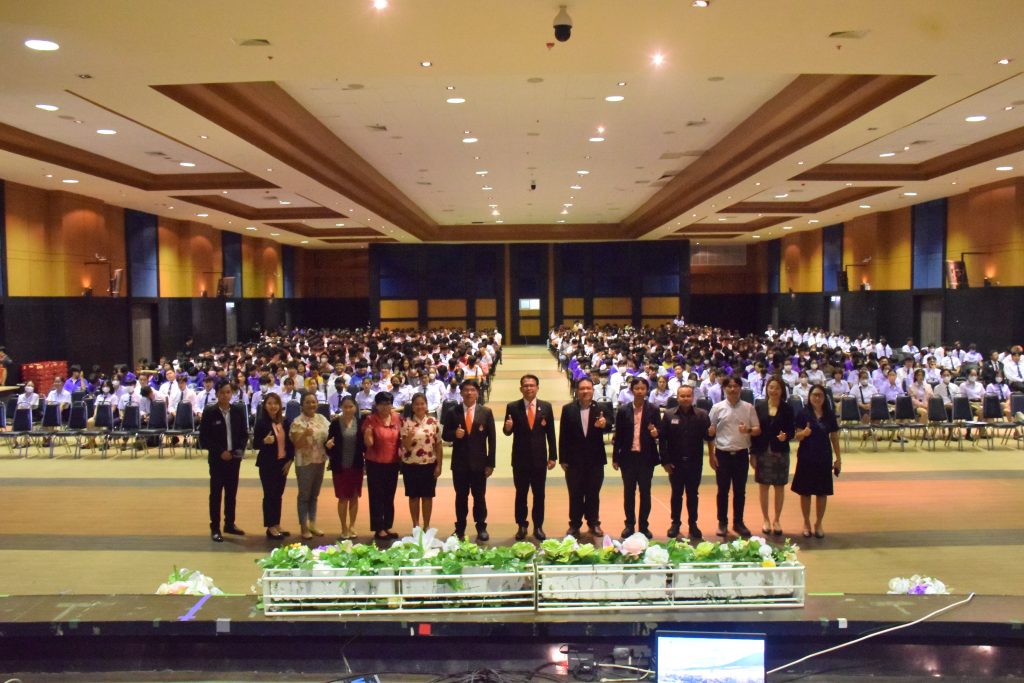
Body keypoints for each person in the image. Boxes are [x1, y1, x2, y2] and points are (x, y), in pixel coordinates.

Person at [503, 374, 558, 541]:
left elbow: (551, 434)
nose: (529, 388)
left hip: (540, 459)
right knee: (521, 494)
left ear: (537, 388)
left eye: (532, 385)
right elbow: (507, 432)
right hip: (520, 459)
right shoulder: (512, 407)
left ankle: (538, 526)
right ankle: (521, 525)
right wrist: (508, 428)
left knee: (539, 495)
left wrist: (553, 456)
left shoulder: (546, 407)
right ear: (521, 389)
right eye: (525, 385)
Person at [708, 376, 761, 539]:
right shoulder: (717, 408)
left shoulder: (748, 407)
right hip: (722, 454)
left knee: (740, 491)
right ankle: (722, 522)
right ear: (724, 389)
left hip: (741, 454)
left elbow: (757, 429)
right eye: (729, 386)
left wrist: (748, 430)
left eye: (736, 386)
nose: (732, 389)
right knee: (722, 491)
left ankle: (738, 522)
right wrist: (711, 454)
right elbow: (710, 432)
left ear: (740, 388)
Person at [442, 380, 496, 542]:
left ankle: (481, 527)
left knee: (479, 497)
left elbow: (492, 440)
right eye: (466, 390)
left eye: (472, 390)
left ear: (477, 393)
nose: (469, 393)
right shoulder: (453, 412)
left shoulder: (485, 412)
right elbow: (445, 435)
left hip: (480, 463)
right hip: (460, 464)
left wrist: (490, 463)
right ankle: (460, 528)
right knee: (461, 497)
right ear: (461, 393)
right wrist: (454, 434)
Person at [558, 377, 610, 538]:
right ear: (577, 391)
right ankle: (574, 524)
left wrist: (604, 424)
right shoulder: (568, 409)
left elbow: (610, 425)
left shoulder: (601, 408)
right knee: (575, 494)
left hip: (595, 460)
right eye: (582, 389)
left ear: (593, 390)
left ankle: (594, 523)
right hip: (574, 460)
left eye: (588, 388)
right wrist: (563, 458)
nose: (585, 391)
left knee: (593, 493)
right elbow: (563, 434)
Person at [658, 384, 711, 541]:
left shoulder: (702, 415)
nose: (685, 398)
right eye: (682, 396)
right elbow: (662, 440)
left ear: (693, 397)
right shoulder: (669, 415)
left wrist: (711, 434)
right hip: (675, 463)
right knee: (676, 494)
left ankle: (693, 524)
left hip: (695, 463)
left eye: (688, 396)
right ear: (677, 397)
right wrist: (665, 461)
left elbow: (708, 437)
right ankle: (675, 523)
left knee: (693, 494)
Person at [198, 379, 249, 542]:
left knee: (231, 493)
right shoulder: (210, 412)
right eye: (222, 393)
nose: (225, 395)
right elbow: (204, 438)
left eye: (228, 392)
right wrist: (220, 452)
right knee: (216, 494)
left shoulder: (238, 411)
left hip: (234, 459)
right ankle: (215, 527)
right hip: (217, 459)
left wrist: (237, 451)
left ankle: (230, 524)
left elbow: (244, 434)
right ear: (217, 394)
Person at [612, 377, 660, 539]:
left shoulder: (653, 409)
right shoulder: (623, 410)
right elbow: (618, 435)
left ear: (647, 390)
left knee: (645, 493)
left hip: (646, 458)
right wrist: (615, 457)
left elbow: (659, 431)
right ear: (631, 390)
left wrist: (656, 433)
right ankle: (629, 525)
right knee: (629, 493)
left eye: (643, 388)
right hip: (628, 458)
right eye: (637, 388)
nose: (640, 391)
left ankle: (644, 526)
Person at [791, 384, 841, 539]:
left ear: (824, 398)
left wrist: (838, 458)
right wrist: (804, 433)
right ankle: (806, 522)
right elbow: (797, 436)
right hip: (806, 456)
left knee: (822, 492)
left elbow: (834, 437)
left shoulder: (829, 414)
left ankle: (818, 523)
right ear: (809, 397)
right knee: (805, 492)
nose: (817, 398)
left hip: (824, 456)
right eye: (814, 395)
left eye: (820, 395)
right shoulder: (803, 413)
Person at [751, 377, 794, 537]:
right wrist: (752, 453)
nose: (773, 391)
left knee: (779, 486)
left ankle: (777, 520)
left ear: (782, 391)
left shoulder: (788, 408)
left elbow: (792, 430)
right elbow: (754, 433)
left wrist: (786, 436)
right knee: (763, 486)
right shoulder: (759, 407)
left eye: (777, 388)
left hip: (780, 452)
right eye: (771, 387)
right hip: (762, 451)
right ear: (767, 389)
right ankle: (766, 519)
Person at [289, 392, 332, 539]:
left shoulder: (322, 419)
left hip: (320, 461)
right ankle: (303, 526)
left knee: (314, 495)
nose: (311, 405)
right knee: (304, 496)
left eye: (313, 402)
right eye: (307, 402)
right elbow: (297, 444)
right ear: (302, 404)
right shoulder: (297, 422)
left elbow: (329, 436)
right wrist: (305, 434)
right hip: (304, 463)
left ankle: (312, 524)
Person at [253, 392, 294, 540]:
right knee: (269, 495)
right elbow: (255, 444)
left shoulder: (285, 422)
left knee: (278, 495)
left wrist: (290, 460)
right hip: (267, 464)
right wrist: (264, 441)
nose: (273, 406)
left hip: (282, 464)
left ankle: (277, 523)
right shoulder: (261, 423)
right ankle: (270, 526)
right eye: (269, 403)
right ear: (265, 405)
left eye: (275, 403)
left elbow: (290, 443)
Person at [400, 393, 443, 530]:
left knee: (427, 496)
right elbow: (405, 446)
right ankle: (416, 525)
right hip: (410, 465)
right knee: (413, 497)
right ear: (412, 407)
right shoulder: (406, 423)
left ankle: (427, 525)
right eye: (416, 404)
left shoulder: (434, 422)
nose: (420, 406)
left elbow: (438, 445)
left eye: (422, 404)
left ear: (426, 405)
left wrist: (439, 465)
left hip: (429, 465)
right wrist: (409, 437)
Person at [363, 391, 402, 541]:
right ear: (377, 405)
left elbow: (401, 439)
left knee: (389, 496)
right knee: (376, 496)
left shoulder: (398, 418)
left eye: (388, 403)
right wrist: (368, 435)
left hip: (392, 463)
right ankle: (378, 528)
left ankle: (387, 525)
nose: (385, 407)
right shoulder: (370, 420)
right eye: (382, 404)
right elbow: (368, 444)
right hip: (375, 464)